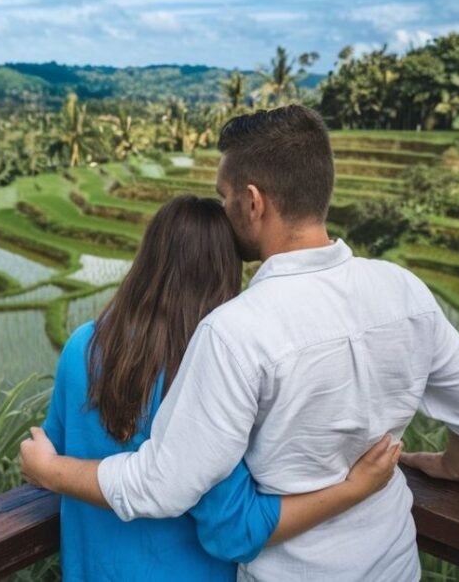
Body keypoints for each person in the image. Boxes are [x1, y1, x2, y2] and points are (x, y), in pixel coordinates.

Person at [22, 105, 459, 581]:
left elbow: (162, 487)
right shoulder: (403, 289)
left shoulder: (233, 330)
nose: (224, 208)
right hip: (394, 563)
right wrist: (455, 468)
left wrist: (52, 471)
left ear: (253, 203)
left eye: (224, 194)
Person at [41, 194, 402, 581]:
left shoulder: (84, 345)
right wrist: (354, 488)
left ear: (148, 260)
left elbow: (56, 447)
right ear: (226, 271)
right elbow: (234, 531)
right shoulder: (210, 372)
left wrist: (44, 467)